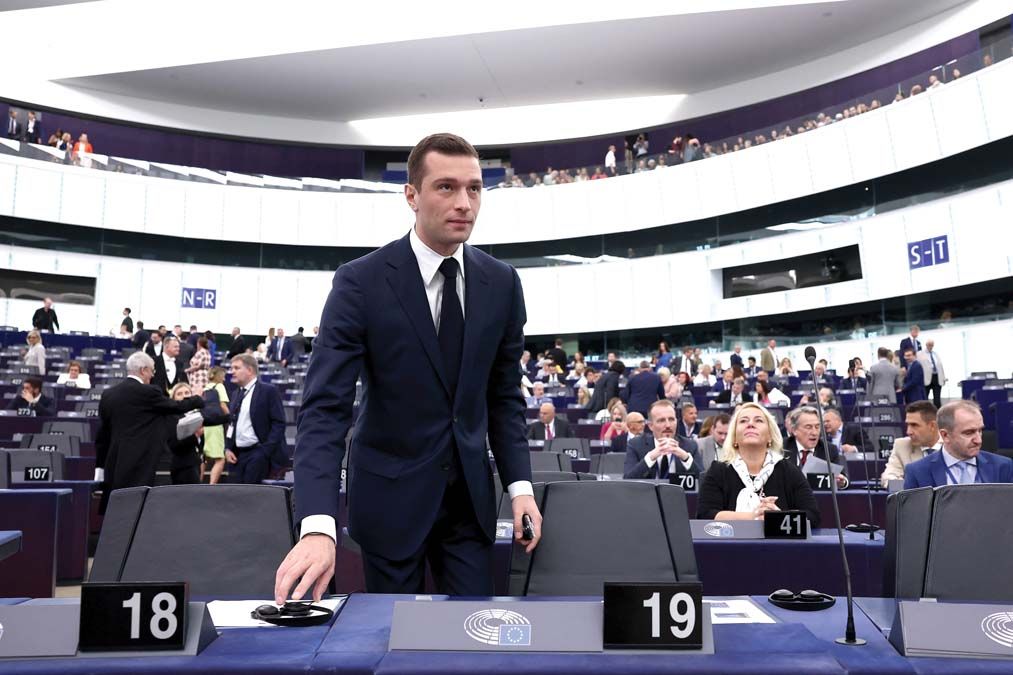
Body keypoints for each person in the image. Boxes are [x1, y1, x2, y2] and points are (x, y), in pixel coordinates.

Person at [276, 133, 540, 603]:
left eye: (475, 189)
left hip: (469, 506)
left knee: (473, 638)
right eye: (446, 187)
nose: (464, 203)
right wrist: (317, 524)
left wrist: (520, 487)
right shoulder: (360, 282)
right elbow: (325, 409)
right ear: (411, 195)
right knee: (392, 643)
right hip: (389, 502)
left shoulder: (502, 283)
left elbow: (503, 399)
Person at [94, 352, 204, 513]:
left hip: (115, 463)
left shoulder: (108, 395)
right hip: (140, 461)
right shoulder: (148, 392)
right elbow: (175, 406)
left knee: (117, 511)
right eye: (152, 371)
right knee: (137, 509)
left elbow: (103, 435)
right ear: (143, 370)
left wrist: (100, 466)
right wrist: (197, 398)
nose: (152, 375)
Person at [696, 402, 820, 527]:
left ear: (770, 436)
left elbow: (813, 516)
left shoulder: (788, 470)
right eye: (743, 421)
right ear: (734, 437)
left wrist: (778, 518)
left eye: (759, 420)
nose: (750, 424)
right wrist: (753, 516)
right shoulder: (718, 470)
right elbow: (705, 516)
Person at [904, 401, 1013, 488]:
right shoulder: (918, 472)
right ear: (945, 435)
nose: (978, 440)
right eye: (969, 432)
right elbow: (914, 515)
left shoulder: (1003, 467)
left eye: (980, 431)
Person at [226, 354, 286, 484]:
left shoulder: (268, 391)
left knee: (251, 498)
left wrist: (265, 451)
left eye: (237, 368)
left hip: (257, 454)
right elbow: (232, 423)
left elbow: (279, 423)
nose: (232, 372)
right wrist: (228, 448)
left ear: (250, 370)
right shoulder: (236, 394)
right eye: (232, 368)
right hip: (237, 456)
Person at [624, 400, 701, 480]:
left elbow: (703, 481)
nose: (668, 425)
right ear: (650, 426)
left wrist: (685, 458)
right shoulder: (635, 445)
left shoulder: (690, 445)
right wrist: (650, 458)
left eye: (671, 419)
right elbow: (628, 479)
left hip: (679, 492)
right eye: (661, 420)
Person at [880, 401, 940, 487]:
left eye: (914, 425)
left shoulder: (951, 445)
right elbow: (888, 476)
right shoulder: (902, 445)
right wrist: (911, 489)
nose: (908, 432)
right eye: (908, 425)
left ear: (932, 426)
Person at [783, 406, 848, 485]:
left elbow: (844, 479)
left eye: (817, 427)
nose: (814, 433)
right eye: (808, 427)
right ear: (794, 430)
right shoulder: (782, 448)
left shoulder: (829, 449)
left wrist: (842, 482)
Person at [167, 383, 204, 485]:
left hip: (195, 463)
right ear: (173, 398)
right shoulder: (172, 417)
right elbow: (174, 444)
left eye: (187, 392)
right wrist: (195, 435)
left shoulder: (196, 415)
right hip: (182, 467)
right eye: (179, 394)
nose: (184, 396)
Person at [201, 367, 230, 485]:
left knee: (203, 458)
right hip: (215, 425)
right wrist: (230, 417)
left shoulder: (204, 387)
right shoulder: (220, 387)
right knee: (220, 459)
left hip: (203, 424)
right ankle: (212, 485)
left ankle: (197, 482)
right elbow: (223, 405)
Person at [917, 339, 946, 408]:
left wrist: (943, 378)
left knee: (937, 399)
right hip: (926, 378)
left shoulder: (935, 354)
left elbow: (940, 366)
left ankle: (937, 413)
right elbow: (918, 367)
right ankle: (925, 412)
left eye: (932, 345)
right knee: (925, 398)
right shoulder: (919, 354)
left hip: (937, 377)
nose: (931, 346)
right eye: (929, 345)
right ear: (926, 345)